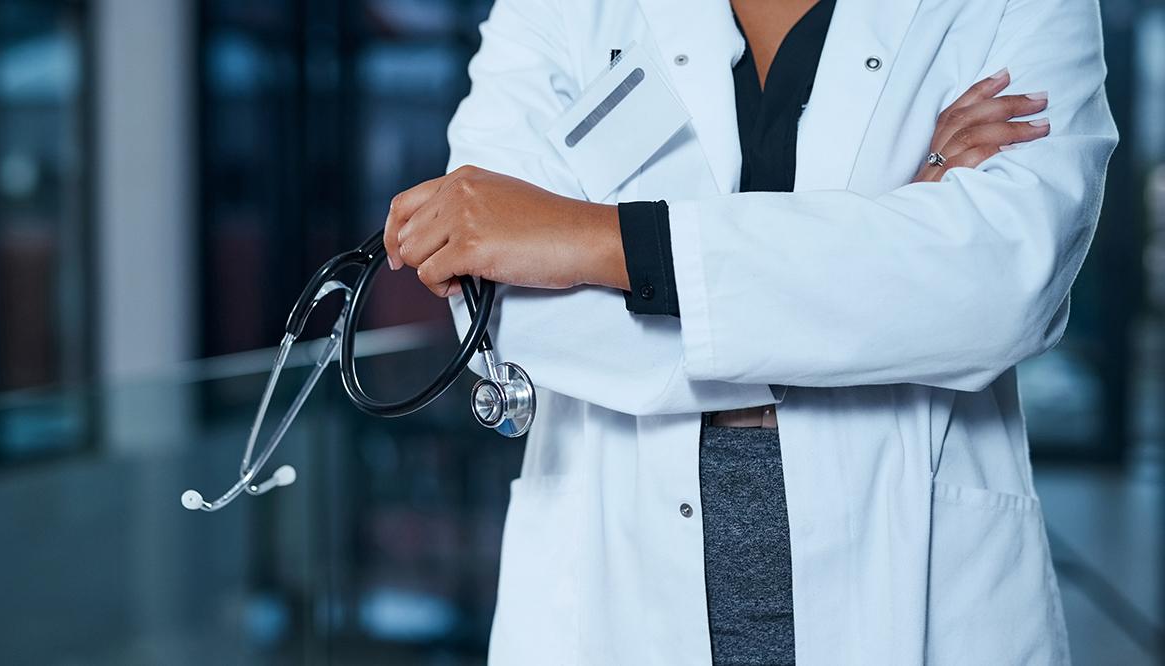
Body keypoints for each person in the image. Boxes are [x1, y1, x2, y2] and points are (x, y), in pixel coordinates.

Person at [382, 0, 1117, 663]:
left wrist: (595, 240)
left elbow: (998, 285)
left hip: (922, 592)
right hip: (614, 600)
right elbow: (509, 308)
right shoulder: (562, 11)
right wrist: (889, 248)